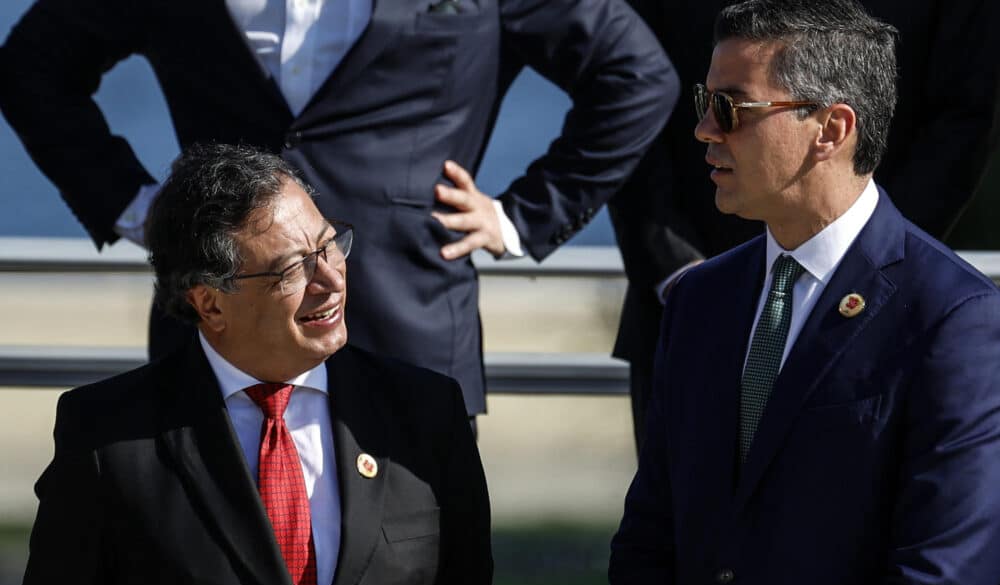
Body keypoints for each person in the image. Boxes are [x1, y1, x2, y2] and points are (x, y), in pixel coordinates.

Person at [0, 0, 678, 423]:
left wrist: (521, 219)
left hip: (407, 325)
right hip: (215, 326)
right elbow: (30, 66)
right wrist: (137, 207)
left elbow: (636, 75)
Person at [609, 1, 1000, 585]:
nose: (704, 130)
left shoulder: (954, 319)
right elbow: (649, 539)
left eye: (730, 108)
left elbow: (940, 577)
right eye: (703, 104)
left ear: (832, 130)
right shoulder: (699, 300)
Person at [22, 144, 493, 585]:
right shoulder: (109, 438)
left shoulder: (427, 412)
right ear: (210, 304)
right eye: (292, 269)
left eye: (329, 246)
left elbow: (465, 582)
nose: (330, 280)